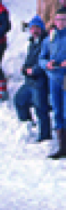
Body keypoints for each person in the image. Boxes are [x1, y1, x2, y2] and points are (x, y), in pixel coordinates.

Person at [14, 16, 51, 143]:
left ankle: (45, 136)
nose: (34, 30)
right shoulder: (32, 43)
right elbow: (29, 60)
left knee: (41, 108)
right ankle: (27, 126)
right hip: (29, 81)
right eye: (32, 28)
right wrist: (25, 68)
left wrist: (33, 71)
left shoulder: (46, 42)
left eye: (37, 28)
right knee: (19, 100)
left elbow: (45, 62)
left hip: (40, 82)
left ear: (41, 28)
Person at [39, 7, 66, 158]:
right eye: (58, 20)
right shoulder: (50, 38)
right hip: (54, 78)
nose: (61, 23)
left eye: (63, 19)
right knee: (57, 110)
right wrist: (47, 64)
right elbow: (41, 57)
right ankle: (62, 146)